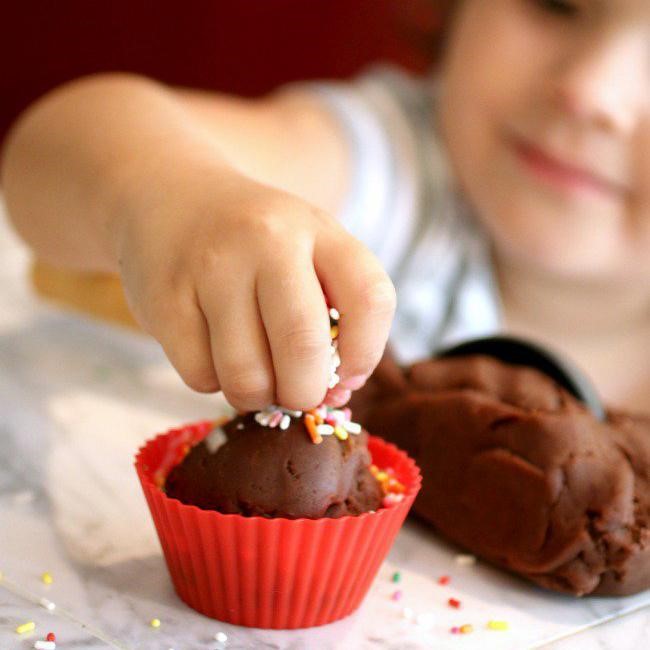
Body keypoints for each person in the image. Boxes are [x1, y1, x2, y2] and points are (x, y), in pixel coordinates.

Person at [1, 0, 649, 413]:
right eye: (554, 4)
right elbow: (56, 145)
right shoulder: (392, 168)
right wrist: (168, 197)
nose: (590, 90)